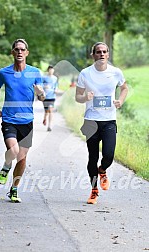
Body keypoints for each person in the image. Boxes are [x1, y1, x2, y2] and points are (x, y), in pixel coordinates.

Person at [0, 38, 45, 203]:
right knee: (13, 151)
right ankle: (6, 167)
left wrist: (40, 92)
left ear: (27, 53)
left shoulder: (35, 73)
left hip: (27, 121)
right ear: (12, 52)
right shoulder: (4, 73)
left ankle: (14, 189)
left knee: (22, 159)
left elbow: (42, 98)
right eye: (17, 49)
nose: (20, 52)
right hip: (9, 119)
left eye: (22, 50)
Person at [75, 42, 128, 204]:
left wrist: (120, 100)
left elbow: (124, 88)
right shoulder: (85, 73)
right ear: (93, 55)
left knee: (109, 155)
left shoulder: (115, 72)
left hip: (109, 120)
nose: (102, 54)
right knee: (92, 157)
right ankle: (94, 190)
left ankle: (102, 170)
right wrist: (86, 98)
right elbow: (78, 97)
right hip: (91, 121)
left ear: (108, 55)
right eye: (98, 52)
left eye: (105, 52)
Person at [42, 65, 58, 131]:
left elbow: (56, 85)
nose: (51, 71)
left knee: (51, 110)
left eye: (52, 69)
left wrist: (56, 90)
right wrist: (45, 88)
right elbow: (41, 85)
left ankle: (49, 126)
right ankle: (45, 118)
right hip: (46, 96)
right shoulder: (44, 78)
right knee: (46, 111)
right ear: (48, 70)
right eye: (50, 70)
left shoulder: (55, 78)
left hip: (52, 96)